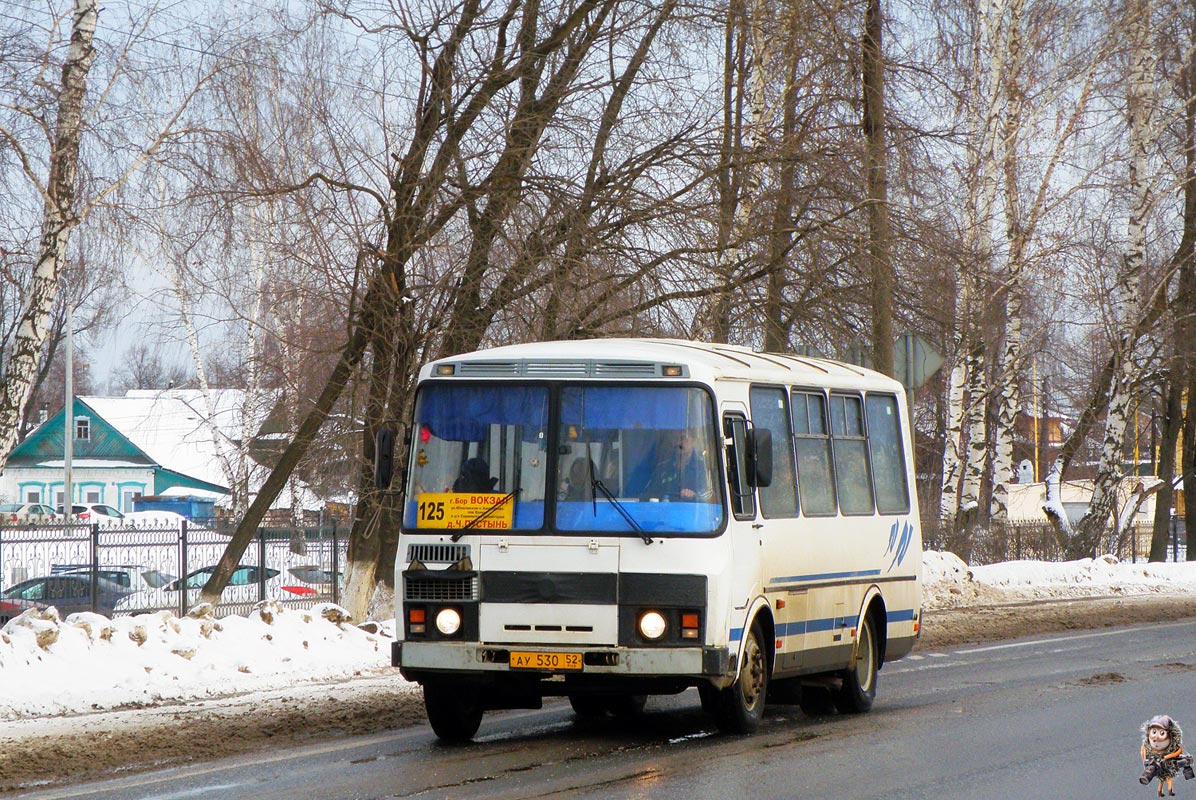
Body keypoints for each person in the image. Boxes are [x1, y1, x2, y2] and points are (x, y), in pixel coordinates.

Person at [645, 430, 711, 501]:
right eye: (676, 439)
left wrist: (694, 496)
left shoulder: (702, 467)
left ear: (693, 441)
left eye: (683, 438)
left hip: (693, 510)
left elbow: (708, 494)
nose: (678, 443)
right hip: (666, 510)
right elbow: (649, 493)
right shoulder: (662, 468)